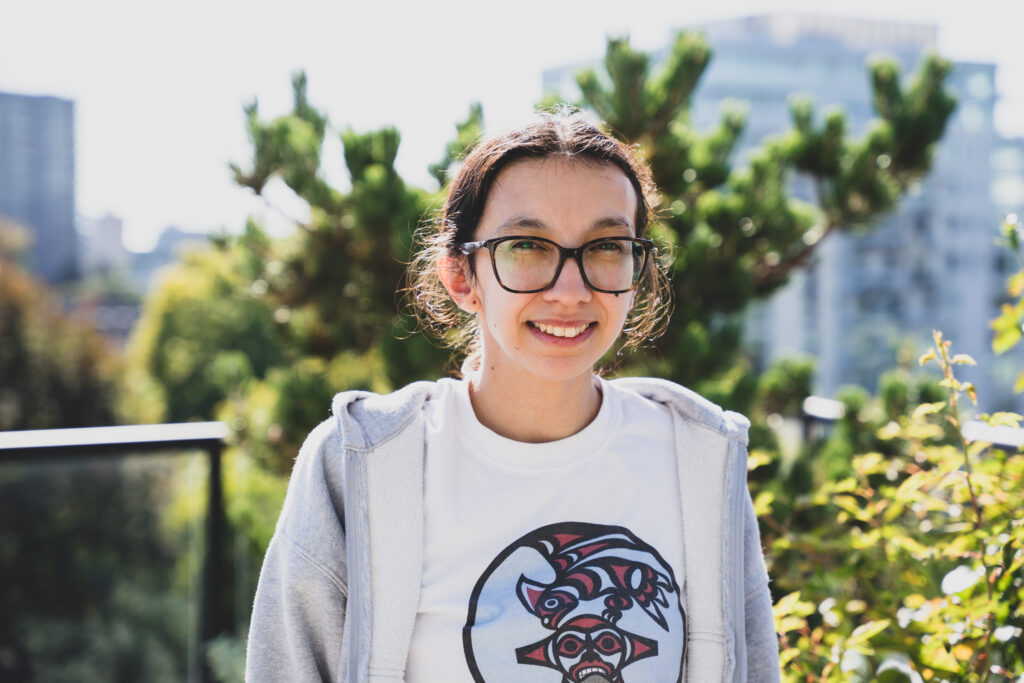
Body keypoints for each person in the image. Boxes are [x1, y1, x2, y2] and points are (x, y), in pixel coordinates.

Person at [245, 110, 780, 683]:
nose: (570, 291)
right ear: (461, 276)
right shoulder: (363, 464)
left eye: (606, 246)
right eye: (527, 246)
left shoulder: (699, 463)